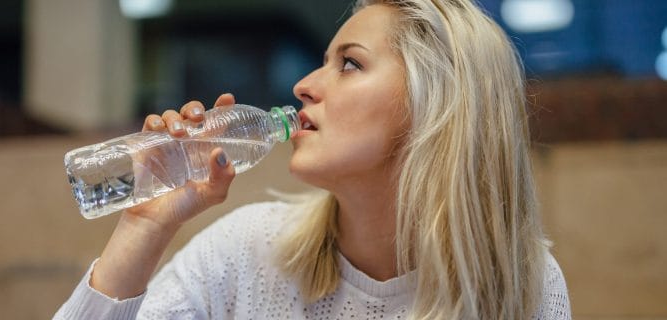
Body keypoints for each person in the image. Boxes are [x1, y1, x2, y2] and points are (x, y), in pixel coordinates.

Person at [54, 0, 571, 319]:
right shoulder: (246, 251)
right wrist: (145, 226)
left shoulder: (523, 282)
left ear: (434, 103)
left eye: (349, 64)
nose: (303, 86)